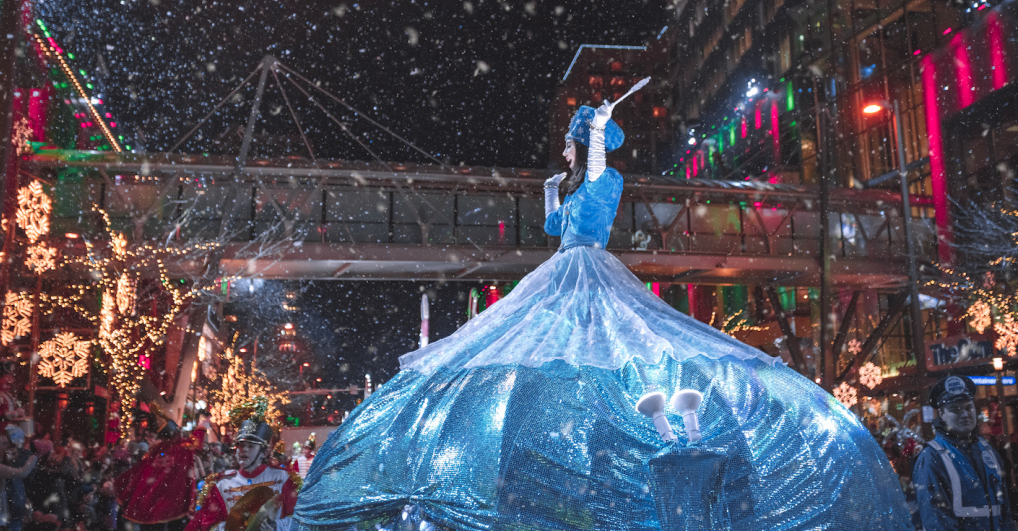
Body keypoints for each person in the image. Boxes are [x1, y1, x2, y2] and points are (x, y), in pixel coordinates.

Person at [291, 95, 914, 530]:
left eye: (571, 144)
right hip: (563, 270)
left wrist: (596, 132)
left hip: (589, 269)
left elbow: (590, 191)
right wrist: (549, 185)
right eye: (570, 145)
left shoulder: (603, 181)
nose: (564, 152)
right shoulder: (571, 187)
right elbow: (553, 225)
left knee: (606, 352)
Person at [913, 375, 1016, 531]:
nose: (965, 414)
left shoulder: (987, 451)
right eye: (955, 409)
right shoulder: (931, 457)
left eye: (968, 407)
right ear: (941, 413)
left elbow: (1005, 512)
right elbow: (938, 523)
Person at [184, 405, 299, 531]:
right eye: (241, 445)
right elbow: (209, 523)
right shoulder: (221, 482)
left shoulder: (283, 478)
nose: (243, 450)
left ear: (264, 453)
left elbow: (298, 518)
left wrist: (276, 526)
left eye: (250, 446)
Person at [114, 413, 205, 531]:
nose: (181, 434)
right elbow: (197, 442)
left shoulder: (158, 449)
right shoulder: (181, 448)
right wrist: (200, 427)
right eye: (178, 432)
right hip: (171, 499)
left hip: (153, 498)